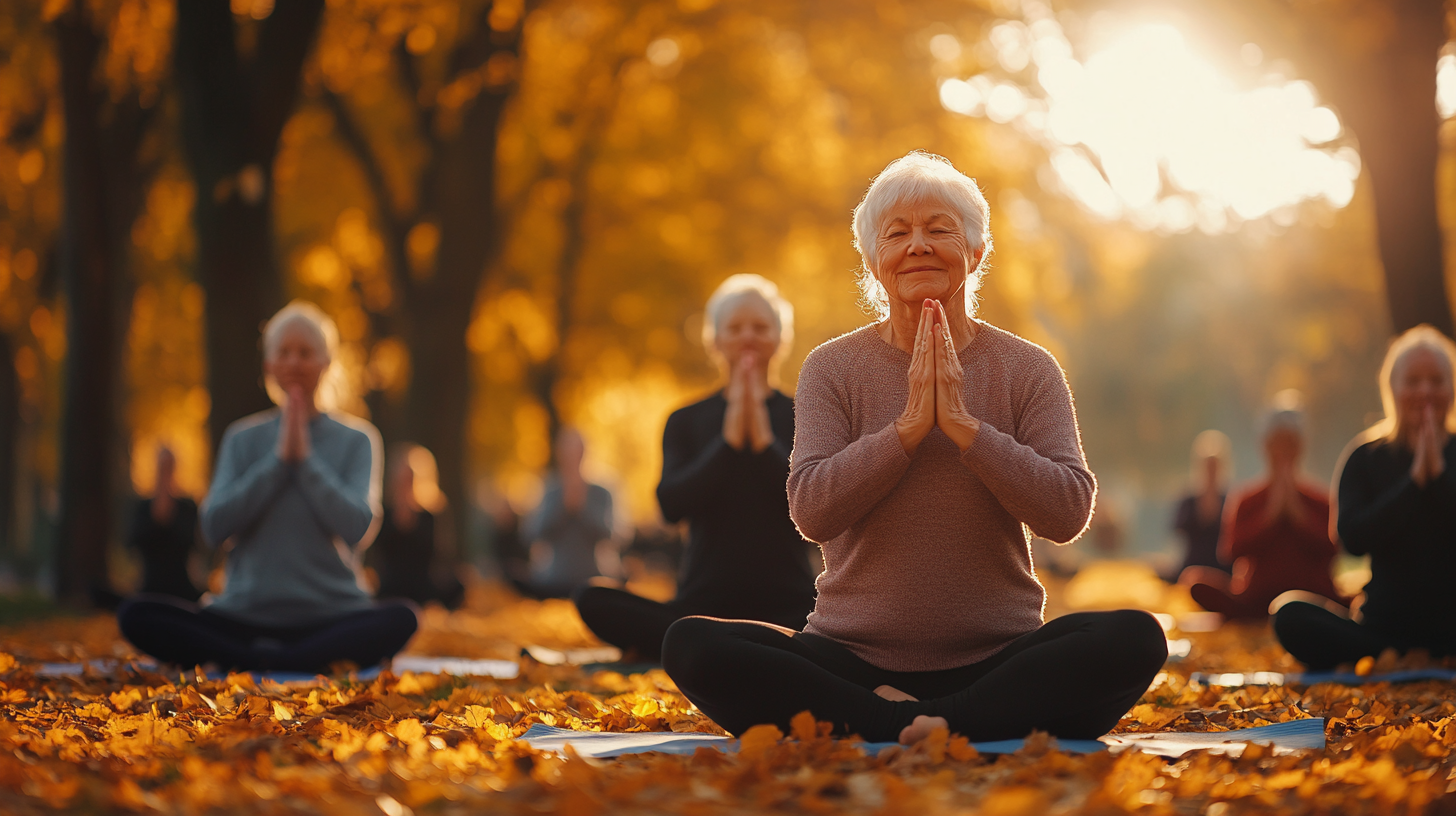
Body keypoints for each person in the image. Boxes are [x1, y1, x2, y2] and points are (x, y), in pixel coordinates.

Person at [661, 151, 1166, 745]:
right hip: (848, 657)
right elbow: (810, 510)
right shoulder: (832, 368)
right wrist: (904, 432)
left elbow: (1067, 512)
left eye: (939, 229)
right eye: (897, 233)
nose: (918, 245)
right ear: (875, 263)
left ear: (975, 253)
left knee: (1136, 636)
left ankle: (898, 719)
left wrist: (965, 429)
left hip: (1000, 655)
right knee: (692, 643)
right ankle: (931, 721)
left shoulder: (1029, 368)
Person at [117, 301, 417, 673]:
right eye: (284, 353)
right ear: (268, 366)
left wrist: (305, 461)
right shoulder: (242, 439)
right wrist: (278, 462)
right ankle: (290, 659)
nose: (294, 362)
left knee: (402, 619)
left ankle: (254, 659)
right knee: (136, 614)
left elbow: (358, 528)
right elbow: (212, 528)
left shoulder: (358, 439)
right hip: (243, 614)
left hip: (332, 614)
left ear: (326, 364)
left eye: (306, 353)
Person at [574, 275, 818, 661]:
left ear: (780, 338)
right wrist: (729, 444)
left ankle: (744, 647)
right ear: (715, 340)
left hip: (792, 607)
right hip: (701, 606)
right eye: (735, 328)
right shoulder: (686, 419)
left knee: (836, 629)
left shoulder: (806, 413)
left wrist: (765, 443)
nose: (747, 337)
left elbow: (818, 503)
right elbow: (671, 506)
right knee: (592, 598)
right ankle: (735, 647)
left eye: (760, 327)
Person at [1274, 326, 1456, 669]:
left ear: (1451, 387)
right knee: (1289, 615)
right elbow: (1351, 540)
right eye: (1413, 381)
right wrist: (1414, 482)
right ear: (1393, 389)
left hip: (1452, 630)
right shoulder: (1365, 456)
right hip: (1382, 632)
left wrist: (1440, 477)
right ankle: (1395, 658)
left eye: (1436, 380)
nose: (1425, 391)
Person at [1186, 400, 1342, 621]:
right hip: (1256, 596)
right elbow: (1231, 551)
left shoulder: (1318, 499)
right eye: (1276, 444)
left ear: (1301, 447)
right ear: (1265, 447)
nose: (1283, 452)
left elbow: (1334, 550)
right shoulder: (1247, 499)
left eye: (1290, 443)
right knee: (1197, 582)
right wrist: (1270, 517)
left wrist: (1299, 517)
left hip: (1315, 594)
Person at [517, 428, 616, 599]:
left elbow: (610, 535)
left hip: (594, 577)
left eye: (577, 451)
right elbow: (533, 534)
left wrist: (582, 508)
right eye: (567, 451)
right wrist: (562, 508)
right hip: (554, 578)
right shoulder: (549, 490)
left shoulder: (601, 492)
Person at [370, 445, 466, 610]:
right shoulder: (384, 512)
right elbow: (379, 551)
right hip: (393, 583)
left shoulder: (432, 513)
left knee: (459, 583)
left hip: (424, 582)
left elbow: (441, 551)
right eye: (403, 477)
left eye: (411, 477)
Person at [127, 446, 204, 603]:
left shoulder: (187, 507)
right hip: (149, 587)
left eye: (169, 466)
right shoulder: (142, 508)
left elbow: (194, 544)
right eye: (162, 466)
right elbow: (133, 542)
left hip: (183, 589)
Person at [1173, 430, 1231, 581]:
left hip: (1222, 570)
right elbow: (1177, 530)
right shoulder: (1188, 500)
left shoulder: (1231, 500)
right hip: (1191, 567)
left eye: (1214, 466)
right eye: (1207, 466)